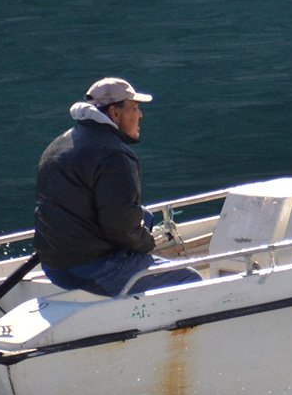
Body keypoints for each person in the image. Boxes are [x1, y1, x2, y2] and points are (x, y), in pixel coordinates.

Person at [33, 77, 201, 296]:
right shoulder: (114, 155)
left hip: (54, 263)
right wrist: (146, 244)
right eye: (135, 108)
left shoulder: (59, 144)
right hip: (89, 267)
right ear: (114, 113)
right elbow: (119, 225)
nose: (140, 115)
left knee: (146, 216)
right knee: (191, 279)